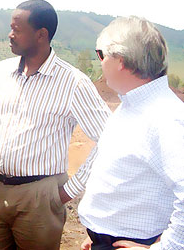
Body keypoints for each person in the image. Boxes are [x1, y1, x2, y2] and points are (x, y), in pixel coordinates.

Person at [0, 0, 111, 249]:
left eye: (17, 29)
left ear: (41, 34)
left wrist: (69, 190)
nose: (10, 35)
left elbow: (109, 139)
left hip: (40, 199)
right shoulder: (1, 72)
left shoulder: (73, 82)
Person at [78, 16, 184, 250]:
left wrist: (166, 248)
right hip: (108, 240)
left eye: (101, 55)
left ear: (121, 61)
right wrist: (98, 233)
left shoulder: (166, 118)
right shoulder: (132, 105)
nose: (100, 63)